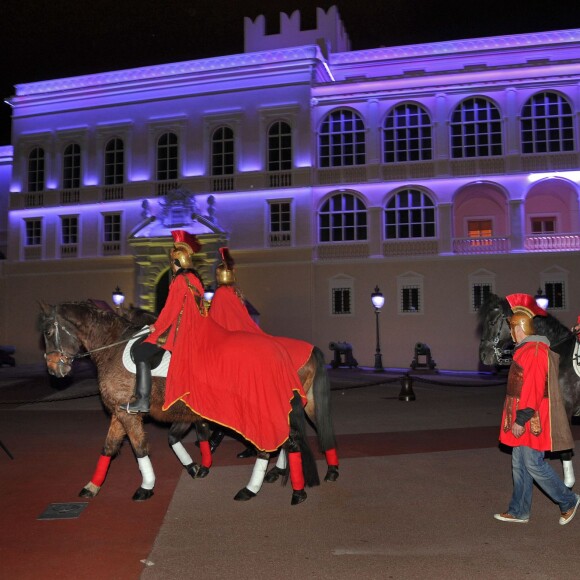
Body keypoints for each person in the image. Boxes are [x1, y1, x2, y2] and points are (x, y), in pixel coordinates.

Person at [494, 293, 580, 525]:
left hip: (533, 417)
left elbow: (532, 388)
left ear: (519, 327)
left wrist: (521, 419)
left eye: (512, 327)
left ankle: (568, 500)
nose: (510, 332)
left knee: (533, 463)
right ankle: (519, 510)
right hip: (525, 413)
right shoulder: (525, 349)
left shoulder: (533, 351)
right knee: (519, 462)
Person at [120, 229, 202, 413]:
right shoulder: (195, 280)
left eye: (172, 262)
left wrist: (155, 326)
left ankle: (142, 400)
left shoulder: (180, 280)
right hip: (192, 330)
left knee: (141, 352)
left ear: (177, 262)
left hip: (179, 332)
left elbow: (170, 310)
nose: (171, 266)